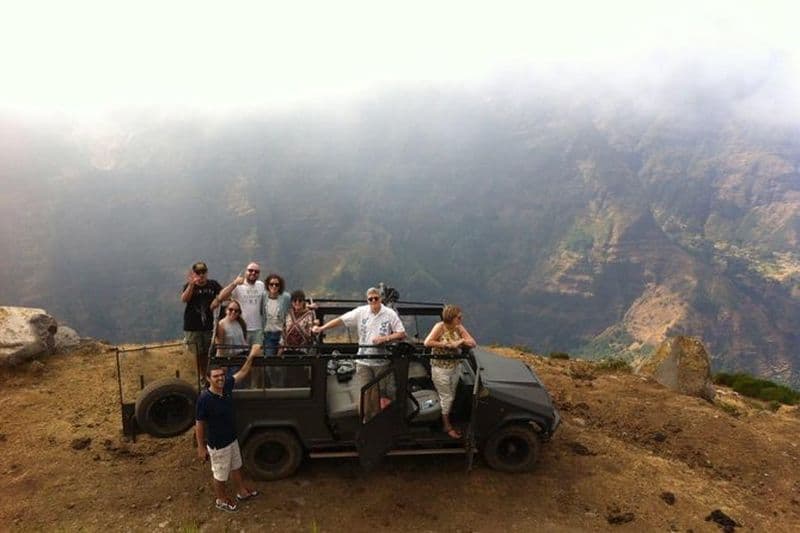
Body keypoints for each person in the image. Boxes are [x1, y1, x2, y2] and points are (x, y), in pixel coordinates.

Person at [195, 344, 262, 512]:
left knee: (236, 466)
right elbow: (199, 424)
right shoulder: (205, 399)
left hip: (231, 438)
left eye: (222, 375)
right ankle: (221, 500)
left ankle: (241, 491)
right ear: (209, 379)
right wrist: (201, 446)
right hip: (218, 444)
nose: (220, 378)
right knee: (220, 474)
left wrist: (252, 355)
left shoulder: (226, 386)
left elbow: (243, 372)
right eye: (216, 376)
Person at [312, 287, 406, 408]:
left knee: (384, 394)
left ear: (380, 299)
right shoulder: (361, 312)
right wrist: (321, 329)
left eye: (375, 298)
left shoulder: (389, 314)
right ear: (367, 300)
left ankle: (385, 420)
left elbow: (402, 333)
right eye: (370, 299)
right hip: (363, 361)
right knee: (366, 394)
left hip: (382, 362)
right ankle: (367, 420)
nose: (373, 301)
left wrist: (385, 339)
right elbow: (341, 320)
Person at [423, 304, 476, 439]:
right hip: (440, 369)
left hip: (454, 367)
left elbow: (472, 342)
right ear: (451, 318)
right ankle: (447, 426)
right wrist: (446, 344)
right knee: (447, 397)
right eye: (458, 317)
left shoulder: (458, 328)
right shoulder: (440, 327)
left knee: (451, 394)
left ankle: (444, 417)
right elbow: (427, 342)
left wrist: (461, 341)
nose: (461, 319)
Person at [181, 261, 222, 378]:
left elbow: (224, 294)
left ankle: (210, 376)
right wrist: (191, 285)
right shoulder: (189, 286)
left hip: (209, 326)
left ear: (207, 272)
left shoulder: (213, 285)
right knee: (198, 353)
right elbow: (184, 299)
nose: (201, 275)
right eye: (198, 272)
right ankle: (202, 377)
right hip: (193, 327)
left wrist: (217, 299)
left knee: (210, 352)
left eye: (203, 272)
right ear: (194, 273)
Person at [214, 262, 266, 347]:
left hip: (258, 329)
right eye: (250, 270)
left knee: (257, 356)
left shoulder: (261, 285)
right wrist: (234, 283)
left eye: (256, 271)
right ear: (246, 271)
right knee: (241, 355)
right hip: (241, 328)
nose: (253, 273)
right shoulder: (238, 285)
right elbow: (221, 297)